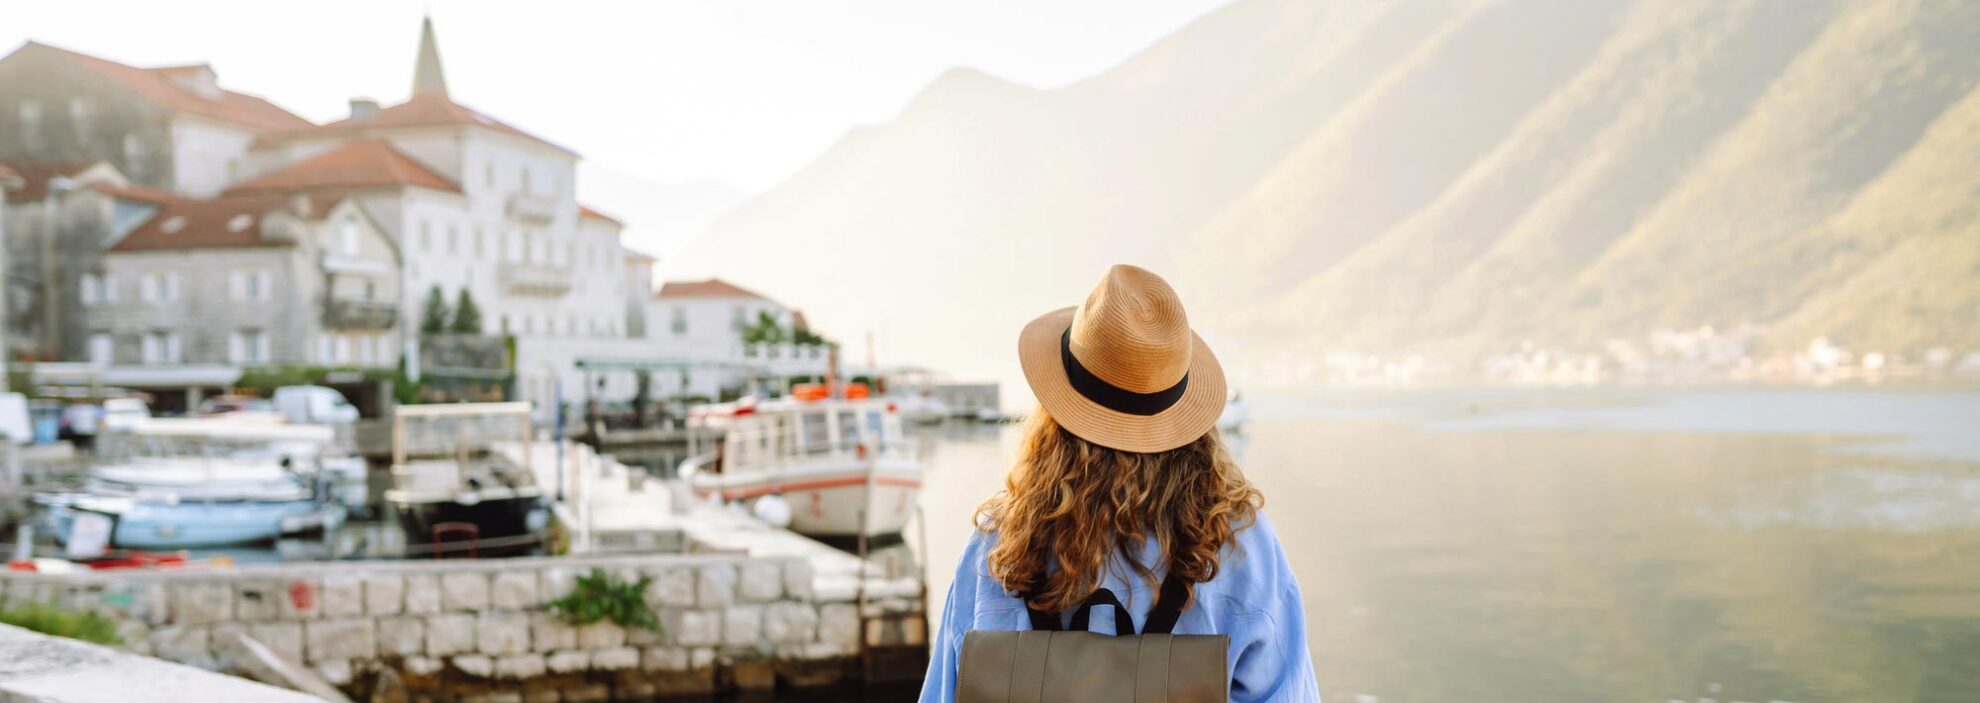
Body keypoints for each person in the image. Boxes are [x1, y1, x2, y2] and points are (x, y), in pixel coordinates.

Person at [920, 265, 1320, 702]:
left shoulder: (999, 543)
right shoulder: (1240, 543)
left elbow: (945, 692)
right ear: (1187, 417)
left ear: (1055, 413)